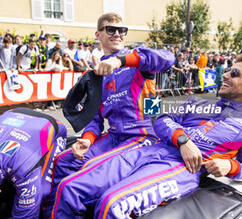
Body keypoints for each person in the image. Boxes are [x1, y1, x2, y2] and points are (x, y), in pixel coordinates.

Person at [47, 54, 242, 219]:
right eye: (227, 69)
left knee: (111, 204)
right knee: (69, 186)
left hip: (167, 156)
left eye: (234, 73)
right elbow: (159, 118)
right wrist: (182, 140)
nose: (224, 74)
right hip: (140, 146)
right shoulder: (103, 74)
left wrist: (228, 165)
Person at [44, 12, 174, 218]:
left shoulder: (137, 59)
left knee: (72, 186)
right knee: (62, 161)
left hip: (145, 137)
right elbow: (95, 119)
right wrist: (86, 140)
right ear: (98, 34)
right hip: (114, 137)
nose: (117, 34)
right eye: (111, 29)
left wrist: (120, 61)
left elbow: (168, 59)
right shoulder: (96, 74)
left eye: (122, 30)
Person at [0, 108, 67, 219]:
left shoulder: (22, 167)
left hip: (51, 125)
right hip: (13, 113)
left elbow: (26, 214)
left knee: (43, 191)